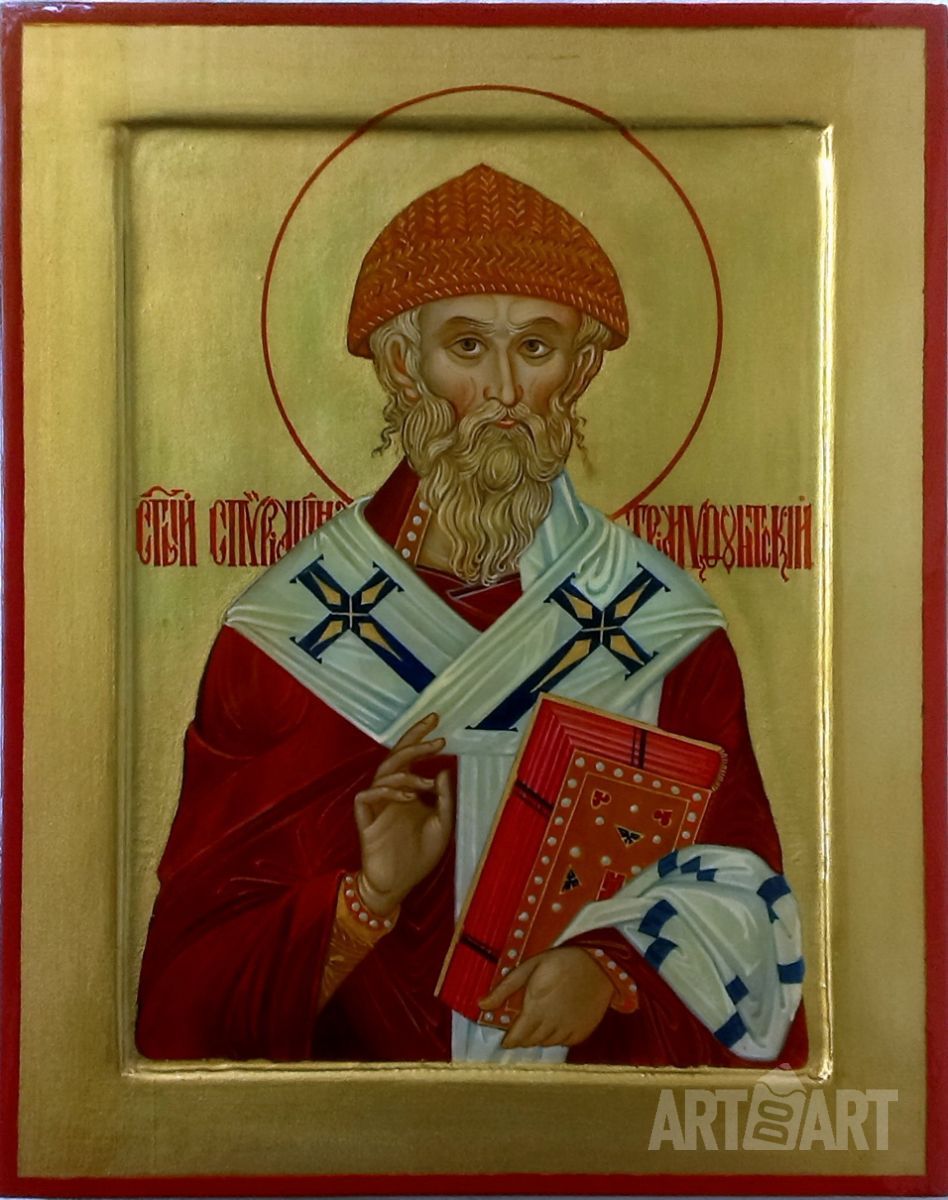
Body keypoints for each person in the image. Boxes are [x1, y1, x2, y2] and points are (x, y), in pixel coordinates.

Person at [136, 164, 807, 1066]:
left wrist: (611, 968)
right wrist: (366, 898)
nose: (502, 390)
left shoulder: (663, 631)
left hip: (591, 1124)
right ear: (403, 363)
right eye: (466, 346)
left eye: (535, 347)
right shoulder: (285, 635)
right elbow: (185, 996)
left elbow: (746, 904)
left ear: (580, 368)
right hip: (353, 1123)